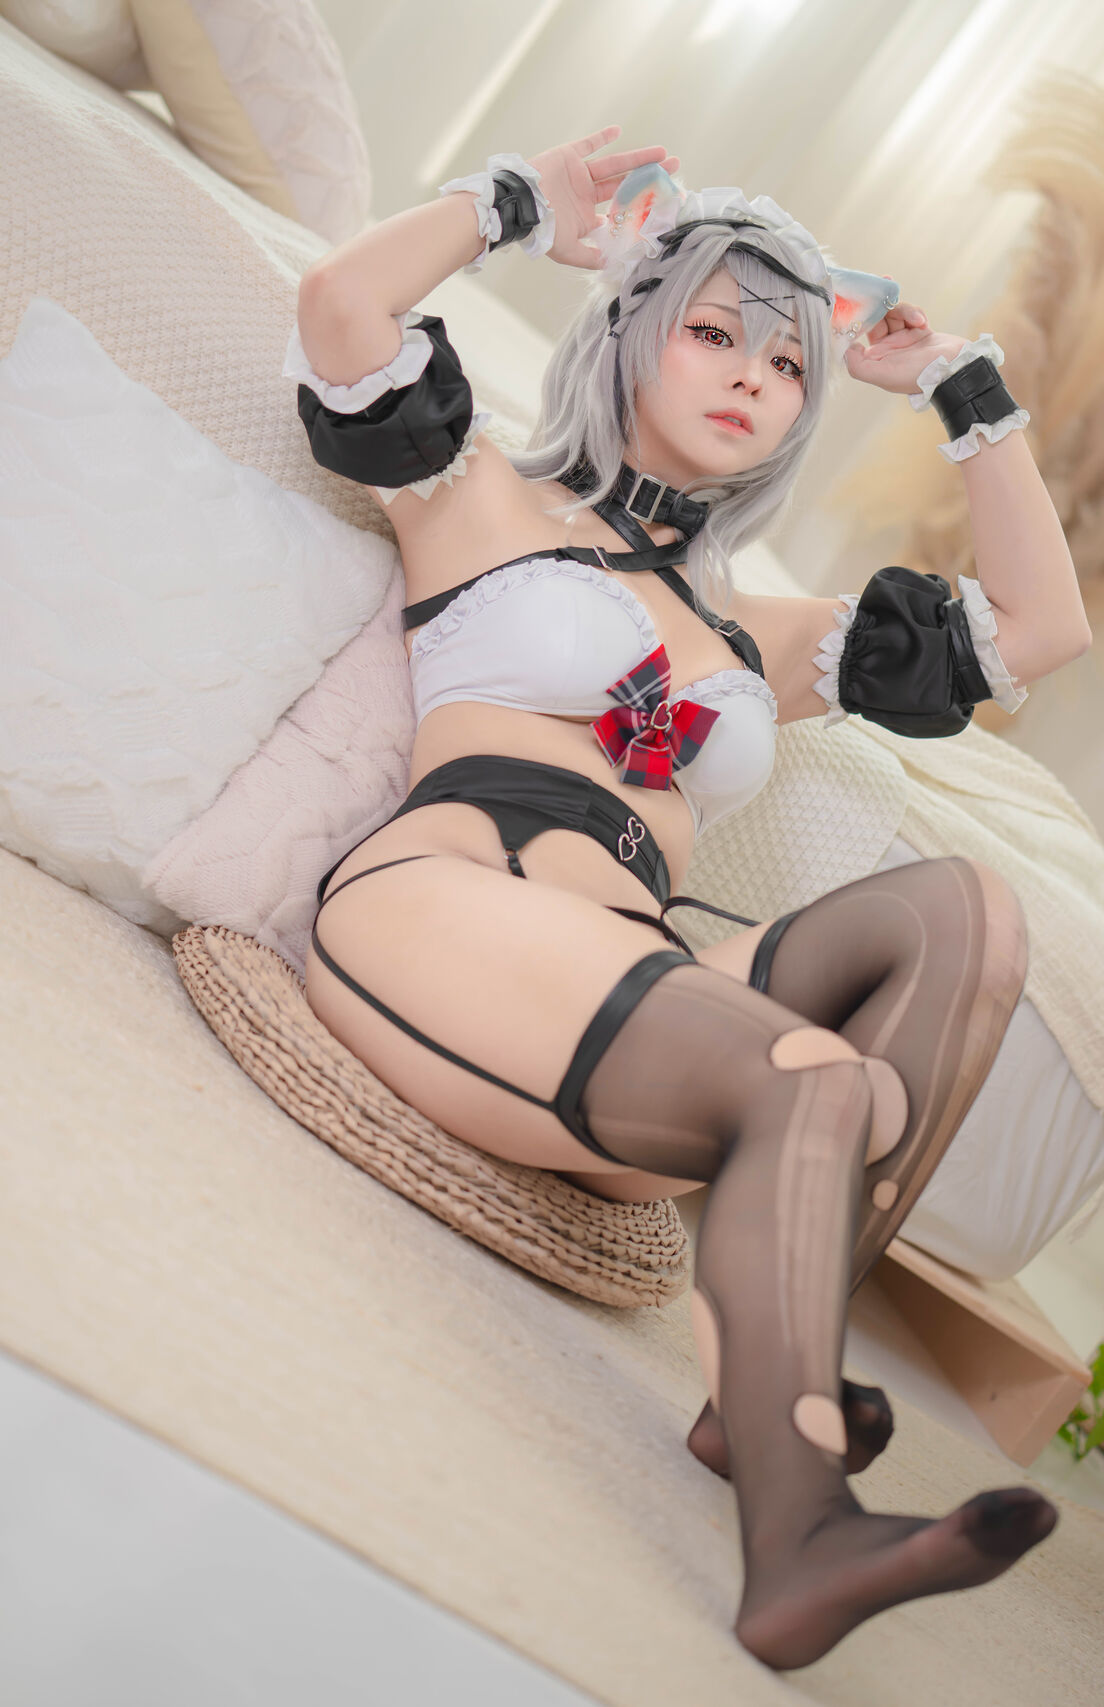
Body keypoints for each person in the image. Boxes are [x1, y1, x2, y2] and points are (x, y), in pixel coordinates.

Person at [284, 127, 1064, 1671]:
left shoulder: (762, 633)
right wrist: (518, 205)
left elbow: (1039, 630)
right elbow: (341, 309)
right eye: (715, 331)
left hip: (632, 981)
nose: (752, 378)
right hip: (450, 903)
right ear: (634, 326)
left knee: (969, 913)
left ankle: (759, 1377)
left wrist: (964, 388)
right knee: (813, 1076)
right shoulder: (477, 496)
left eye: (785, 366)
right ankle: (800, 1531)